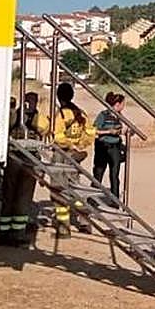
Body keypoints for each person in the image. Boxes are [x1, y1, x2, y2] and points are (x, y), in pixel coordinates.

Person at [0, 92, 49, 246]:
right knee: (12, 196)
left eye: (32, 102)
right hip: (15, 156)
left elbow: (44, 129)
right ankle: (8, 233)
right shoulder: (15, 115)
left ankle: (16, 232)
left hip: (29, 158)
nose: (30, 105)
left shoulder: (38, 118)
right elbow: (7, 126)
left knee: (23, 197)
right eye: (28, 101)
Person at [51, 82, 95, 238]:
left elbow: (57, 136)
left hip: (62, 155)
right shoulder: (81, 113)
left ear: (58, 97)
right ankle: (85, 222)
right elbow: (90, 133)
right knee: (76, 187)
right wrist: (79, 145)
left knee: (58, 190)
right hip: (76, 155)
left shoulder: (61, 115)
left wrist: (70, 145)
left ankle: (64, 228)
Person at [93, 92, 127, 198]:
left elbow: (125, 127)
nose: (123, 106)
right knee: (99, 173)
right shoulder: (103, 115)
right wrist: (109, 131)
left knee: (114, 174)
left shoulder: (119, 116)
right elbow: (94, 130)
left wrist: (124, 130)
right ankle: (92, 197)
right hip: (103, 146)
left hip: (115, 146)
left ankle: (115, 199)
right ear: (117, 104)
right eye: (122, 104)